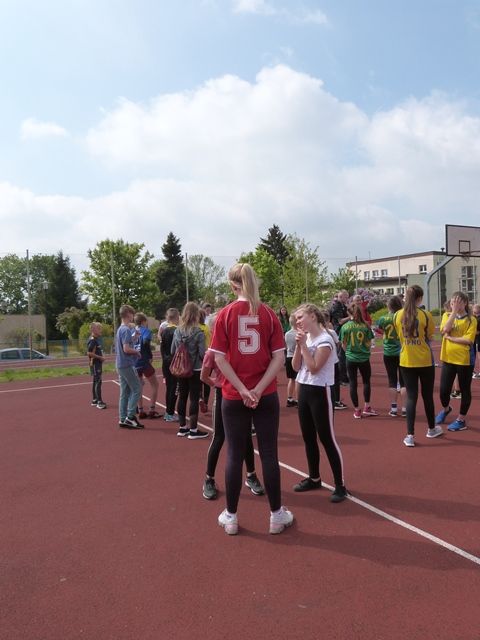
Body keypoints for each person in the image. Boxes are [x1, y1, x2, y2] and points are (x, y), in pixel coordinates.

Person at [210, 263, 293, 535]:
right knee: (269, 454)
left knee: (234, 454)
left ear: (232, 285)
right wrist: (258, 389)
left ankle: (231, 517)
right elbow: (279, 357)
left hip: (234, 396)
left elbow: (219, 358)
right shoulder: (268, 313)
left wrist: (243, 389)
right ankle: (276, 515)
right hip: (265, 395)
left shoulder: (224, 314)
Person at [292, 304, 348, 503]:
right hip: (304, 389)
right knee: (308, 437)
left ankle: (340, 485)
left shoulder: (326, 339)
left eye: (301, 317)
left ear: (313, 316)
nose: (297, 321)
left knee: (326, 438)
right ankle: (314, 478)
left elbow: (314, 367)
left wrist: (303, 347)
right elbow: (296, 366)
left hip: (320, 391)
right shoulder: (305, 338)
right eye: (296, 319)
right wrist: (299, 346)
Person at [201, 338, 265, 501]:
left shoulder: (240, 349)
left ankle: (251, 475)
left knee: (246, 437)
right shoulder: (212, 352)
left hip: (241, 396)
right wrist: (219, 384)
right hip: (223, 396)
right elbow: (204, 376)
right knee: (219, 437)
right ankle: (209, 479)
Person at [393, 285, 443, 447]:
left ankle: (410, 435)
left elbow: (399, 335)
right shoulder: (425, 315)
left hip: (406, 360)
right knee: (427, 396)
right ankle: (431, 429)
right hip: (425, 360)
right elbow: (430, 336)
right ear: (420, 298)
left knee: (411, 397)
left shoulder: (397, 315)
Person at [435, 292, 477, 432]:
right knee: (443, 391)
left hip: (464, 361)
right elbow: (445, 330)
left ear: (465, 303)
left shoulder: (471, 320)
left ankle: (461, 419)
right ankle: (446, 409)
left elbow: (468, 340)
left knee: (464, 390)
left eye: (458, 302)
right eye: (453, 302)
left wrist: (451, 338)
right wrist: (453, 312)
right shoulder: (447, 316)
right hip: (448, 358)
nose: (455, 304)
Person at [171, 302, 208, 439]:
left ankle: (182, 427)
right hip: (195, 368)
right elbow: (202, 353)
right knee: (194, 398)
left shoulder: (177, 331)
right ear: (196, 315)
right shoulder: (199, 332)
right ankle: (193, 429)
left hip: (181, 368)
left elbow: (173, 350)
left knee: (182, 396)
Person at [340, 304, 378, 419]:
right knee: (366, 382)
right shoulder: (365, 325)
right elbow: (369, 342)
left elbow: (343, 344)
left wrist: (348, 352)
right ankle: (367, 406)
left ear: (349, 313)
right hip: (364, 358)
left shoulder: (345, 327)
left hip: (351, 358)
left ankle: (357, 410)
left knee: (353, 383)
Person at [376, 296, 406, 417]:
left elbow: (378, 329)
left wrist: (385, 333)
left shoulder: (383, 318)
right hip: (402, 351)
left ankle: (393, 408)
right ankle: (405, 408)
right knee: (404, 381)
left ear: (389, 306)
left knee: (392, 380)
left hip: (388, 351)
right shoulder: (402, 317)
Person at [115, 304, 143, 429]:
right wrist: (136, 352)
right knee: (137, 388)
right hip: (126, 364)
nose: (133, 316)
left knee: (124, 392)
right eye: (132, 314)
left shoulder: (120, 329)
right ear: (128, 314)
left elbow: (125, 343)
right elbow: (126, 348)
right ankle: (130, 417)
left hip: (120, 364)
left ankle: (122, 418)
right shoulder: (126, 329)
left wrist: (134, 337)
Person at [133, 312, 162, 419]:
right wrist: (149, 356)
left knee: (139, 386)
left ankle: (140, 410)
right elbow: (145, 342)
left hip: (134, 362)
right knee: (155, 384)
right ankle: (152, 409)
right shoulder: (146, 331)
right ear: (143, 321)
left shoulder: (132, 331)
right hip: (144, 361)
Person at [160, 308, 180, 422]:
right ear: (177, 317)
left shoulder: (164, 331)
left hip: (166, 362)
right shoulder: (176, 331)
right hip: (174, 363)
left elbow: (162, 349)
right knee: (174, 388)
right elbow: (178, 348)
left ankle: (168, 412)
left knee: (169, 388)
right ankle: (170, 413)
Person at [330, 290, 350, 384]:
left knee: (343, 355)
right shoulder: (336, 307)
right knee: (341, 355)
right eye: (346, 297)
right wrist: (351, 317)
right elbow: (340, 321)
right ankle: (342, 378)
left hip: (342, 332)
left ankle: (343, 376)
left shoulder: (343, 306)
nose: (347, 299)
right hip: (338, 332)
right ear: (341, 297)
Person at [87, 322, 106, 409]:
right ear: (93, 330)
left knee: (95, 381)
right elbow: (89, 353)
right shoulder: (93, 340)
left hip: (96, 363)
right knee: (98, 381)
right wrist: (100, 357)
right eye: (99, 329)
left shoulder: (96, 339)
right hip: (95, 364)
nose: (101, 330)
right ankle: (99, 402)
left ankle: (95, 400)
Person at [198, 308, 211, 414]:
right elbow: (210, 342)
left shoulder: (194, 328)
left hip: (197, 358)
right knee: (207, 380)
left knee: (198, 380)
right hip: (206, 356)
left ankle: (199, 397)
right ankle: (205, 402)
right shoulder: (206, 328)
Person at [284, 313, 298, 407]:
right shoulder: (299, 334)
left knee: (291, 379)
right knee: (298, 380)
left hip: (289, 356)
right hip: (296, 357)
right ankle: (298, 399)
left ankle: (289, 398)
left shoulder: (287, 334)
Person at [473, 303, 480, 378]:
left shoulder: (478, 318)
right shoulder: (473, 317)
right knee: (473, 355)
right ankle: (472, 371)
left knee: (478, 355)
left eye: (475, 308)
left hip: (478, 339)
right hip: (474, 339)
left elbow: (477, 331)